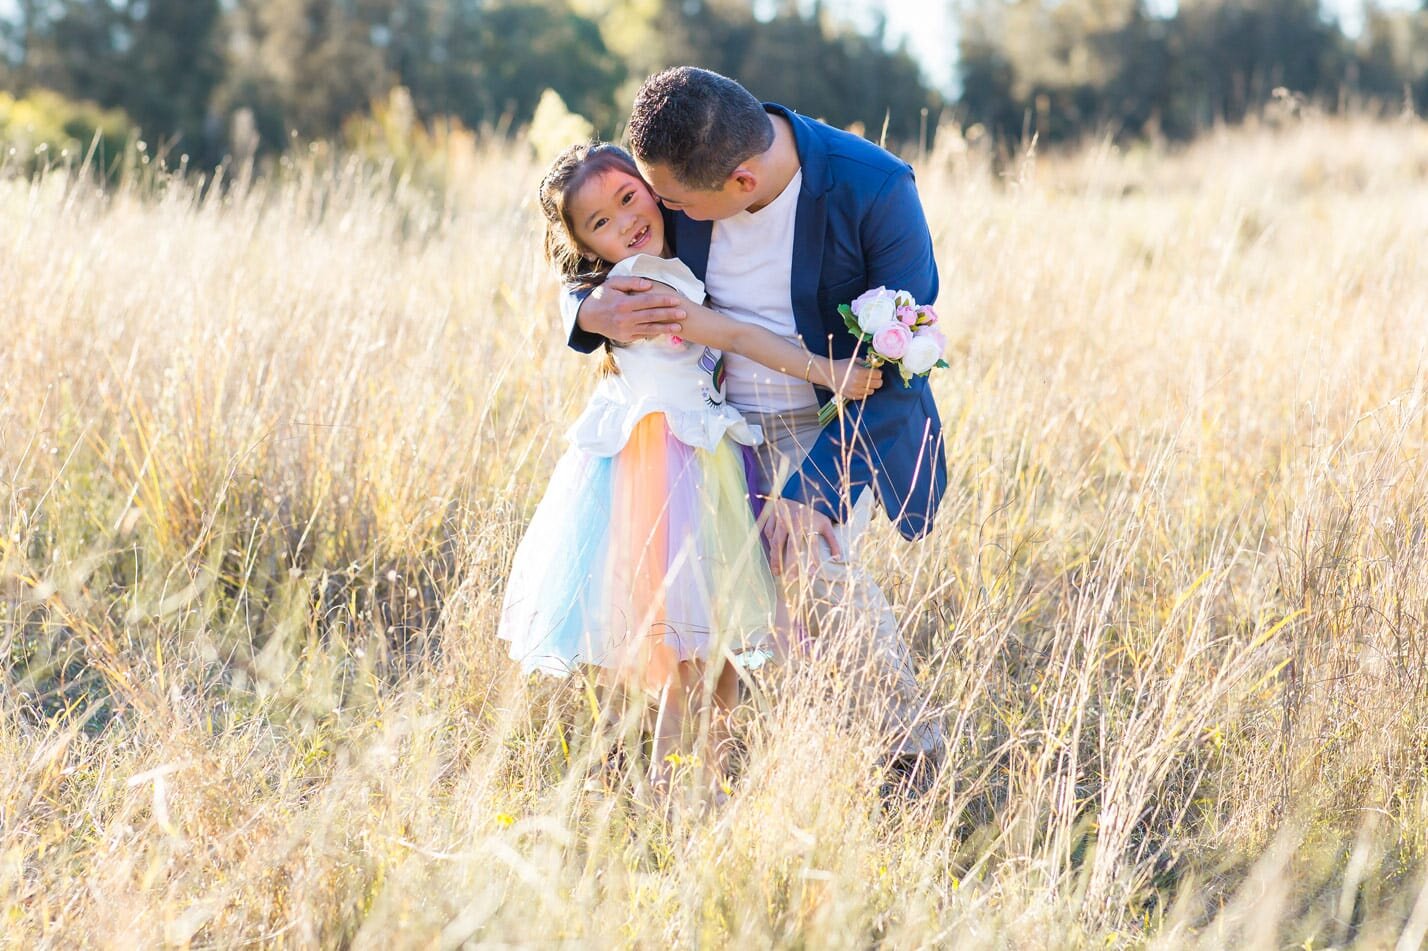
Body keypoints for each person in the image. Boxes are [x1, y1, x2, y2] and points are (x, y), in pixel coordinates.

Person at [563, 68, 948, 797]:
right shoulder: (684, 157)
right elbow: (597, 230)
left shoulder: (873, 190)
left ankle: (910, 760)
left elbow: (901, 363)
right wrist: (584, 314)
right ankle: (707, 774)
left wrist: (814, 490)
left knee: (814, 570)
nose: (660, 210)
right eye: (657, 195)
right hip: (719, 430)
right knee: (712, 605)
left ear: (740, 182)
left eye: (673, 203)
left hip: (833, 423)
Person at [499, 142, 884, 794]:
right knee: (686, 658)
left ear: (652, 186)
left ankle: (707, 786)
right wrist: (826, 371)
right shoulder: (643, 286)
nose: (625, 220)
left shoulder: (668, 260)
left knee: (715, 652)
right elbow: (734, 336)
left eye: (628, 197)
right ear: (588, 244)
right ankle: (673, 795)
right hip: (667, 467)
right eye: (600, 222)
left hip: (703, 458)